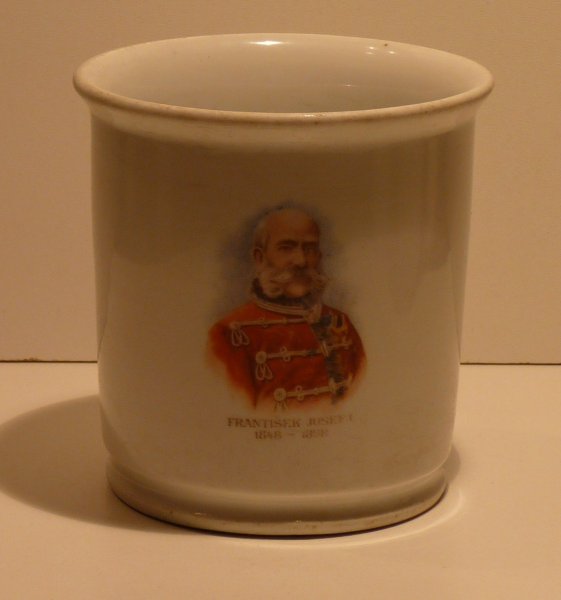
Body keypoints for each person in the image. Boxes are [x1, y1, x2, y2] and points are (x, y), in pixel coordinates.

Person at [208, 207, 365, 411]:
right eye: (286, 248)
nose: (301, 261)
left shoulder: (341, 323)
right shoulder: (228, 333)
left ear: (319, 256)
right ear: (259, 258)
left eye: (309, 248)